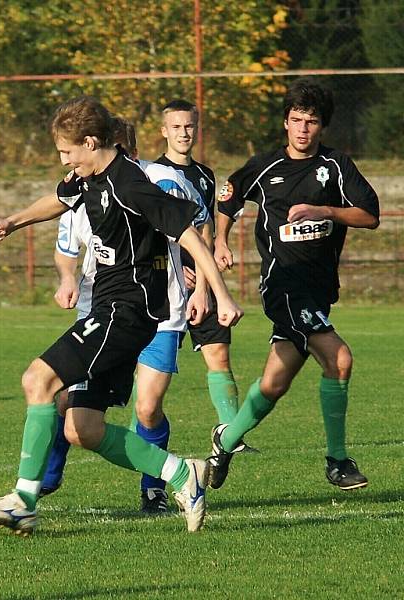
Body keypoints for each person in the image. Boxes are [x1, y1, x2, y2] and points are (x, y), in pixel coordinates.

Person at [0, 96, 243, 536]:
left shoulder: (129, 183)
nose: (64, 161)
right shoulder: (88, 177)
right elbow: (58, 200)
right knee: (84, 427)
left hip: (126, 311)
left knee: (37, 380)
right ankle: (180, 474)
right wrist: (13, 221)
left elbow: (190, 235)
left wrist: (222, 296)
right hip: (109, 308)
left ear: (91, 142)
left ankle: (23, 500)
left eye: (67, 152)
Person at [210, 78, 379, 491]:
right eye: (297, 120)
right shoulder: (265, 166)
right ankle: (337, 461)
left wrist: (323, 210)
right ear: (285, 123)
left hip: (318, 290)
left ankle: (225, 441)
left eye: (312, 121)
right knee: (339, 359)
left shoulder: (337, 166)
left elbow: (370, 215)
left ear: (322, 127)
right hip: (282, 285)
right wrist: (220, 241)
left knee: (274, 384)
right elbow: (227, 201)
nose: (303, 128)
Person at [41, 117, 212, 516]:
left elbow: (196, 230)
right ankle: (44, 479)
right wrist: (67, 278)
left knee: (147, 407)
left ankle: (156, 490)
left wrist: (201, 284)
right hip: (100, 309)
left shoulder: (158, 181)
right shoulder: (85, 184)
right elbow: (67, 246)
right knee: (63, 397)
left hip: (160, 310)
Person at [153, 100, 256, 484]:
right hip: (163, 288)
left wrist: (209, 272)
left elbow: (206, 228)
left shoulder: (204, 175)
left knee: (219, 354)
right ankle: (154, 480)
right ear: (163, 131)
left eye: (190, 126)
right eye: (176, 127)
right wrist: (180, 271)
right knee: (151, 391)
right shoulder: (151, 174)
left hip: (202, 282)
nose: (184, 133)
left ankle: (227, 437)